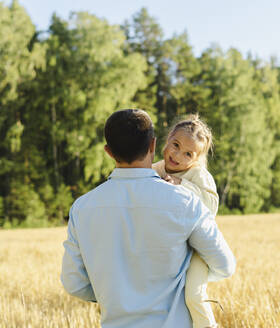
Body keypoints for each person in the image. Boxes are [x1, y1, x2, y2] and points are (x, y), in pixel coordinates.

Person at [61, 109, 235, 328]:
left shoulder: (81, 209)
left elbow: (73, 283)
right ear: (153, 145)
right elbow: (225, 265)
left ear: (108, 151)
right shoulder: (186, 202)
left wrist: (118, 294)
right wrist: (182, 286)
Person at [152, 115, 219, 328]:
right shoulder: (155, 170)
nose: (177, 155)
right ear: (168, 138)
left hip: (198, 247)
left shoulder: (198, 175)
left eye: (188, 154)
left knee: (193, 295)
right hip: (169, 247)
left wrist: (181, 185)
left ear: (196, 159)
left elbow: (211, 206)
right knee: (163, 299)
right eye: (176, 145)